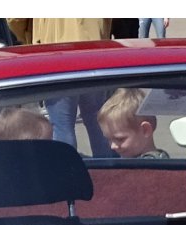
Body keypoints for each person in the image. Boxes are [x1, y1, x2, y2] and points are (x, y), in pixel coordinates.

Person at [30, 19, 115, 157]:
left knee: (62, 125)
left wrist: (33, 35)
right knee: (97, 121)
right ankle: (110, 171)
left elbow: (16, 19)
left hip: (55, 55)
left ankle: (67, 173)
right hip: (93, 52)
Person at [97, 88, 168, 159]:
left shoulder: (151, 165)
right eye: (109, 140)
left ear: (145, 130)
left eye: (120, 139)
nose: (113, 146)